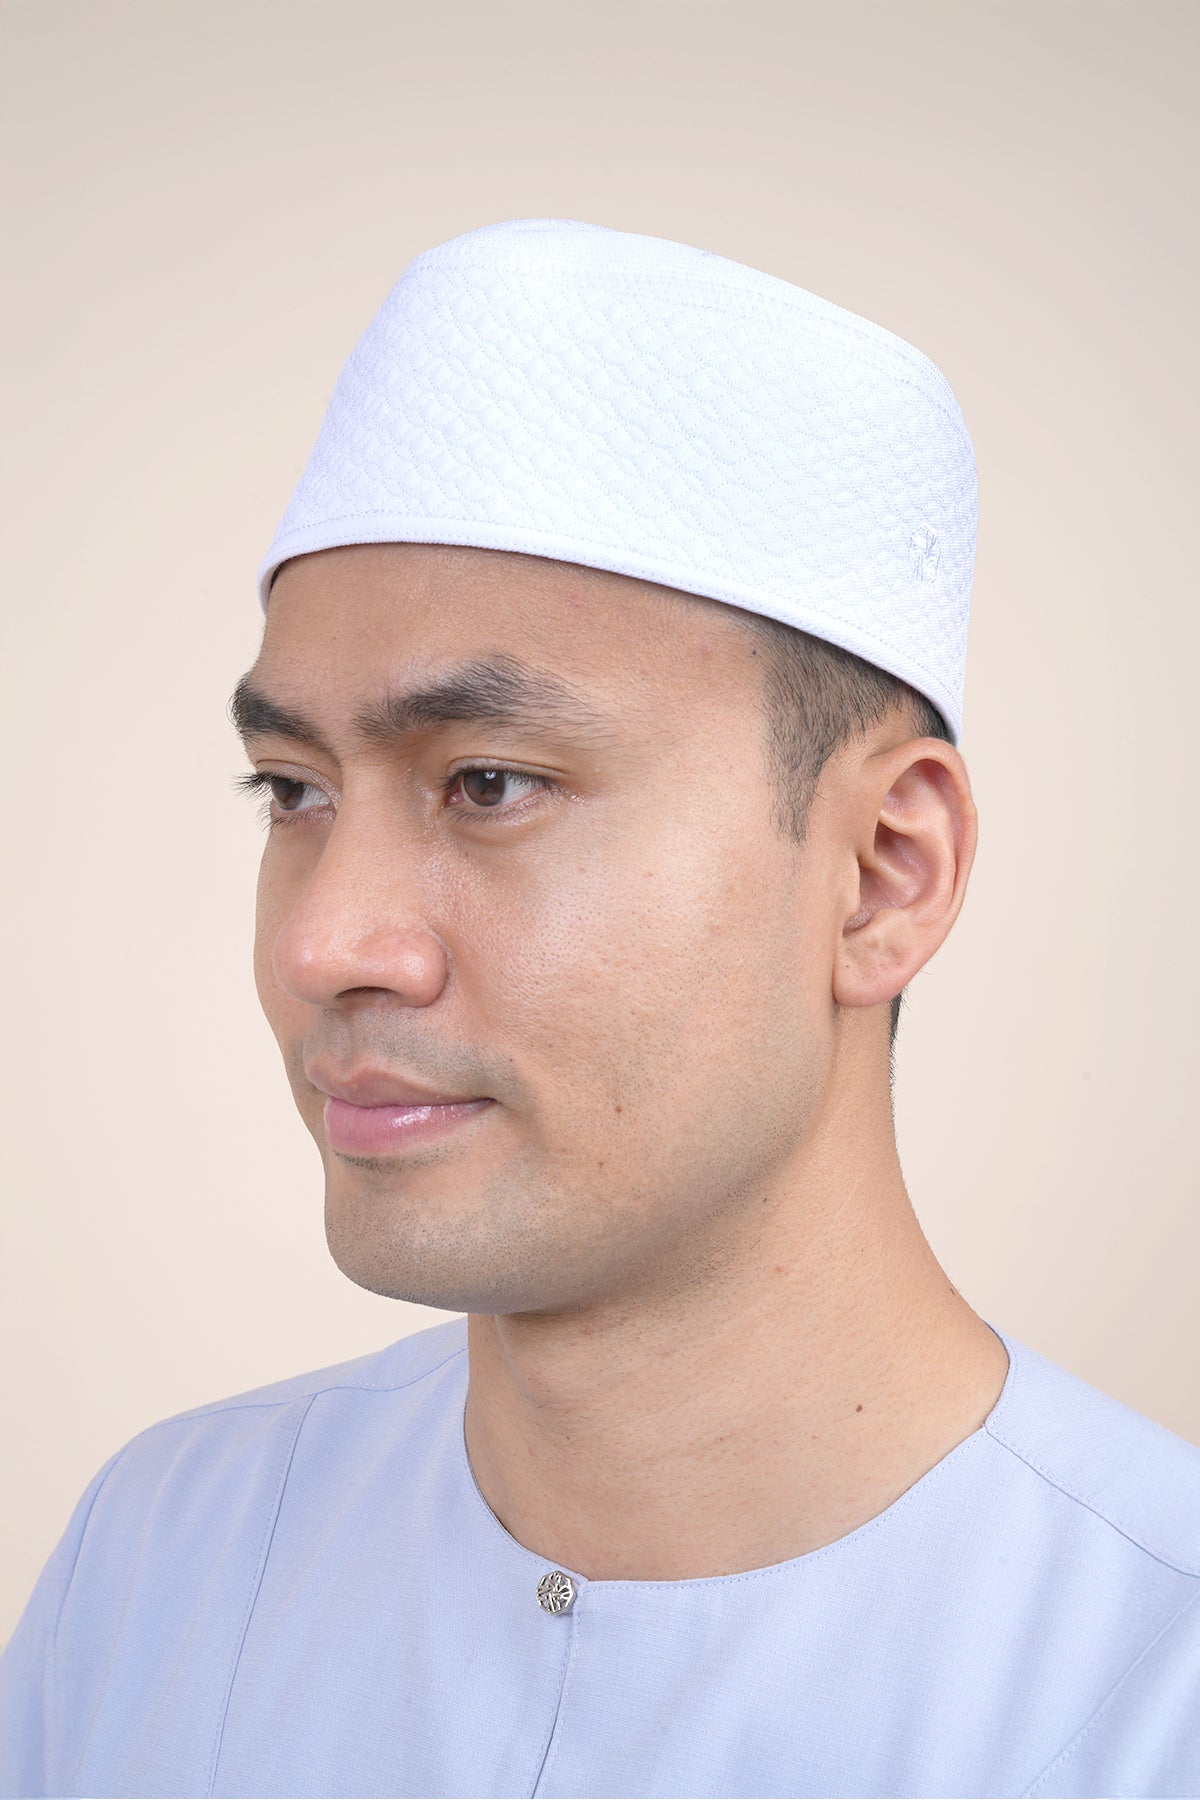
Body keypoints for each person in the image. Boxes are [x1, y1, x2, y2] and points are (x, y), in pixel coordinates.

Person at [1, 218, 1197, 1800]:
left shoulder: (1152, 1688)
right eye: (293, 789)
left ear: (881, 876)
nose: (323, 943)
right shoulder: (162, 1566)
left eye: (491, 782)